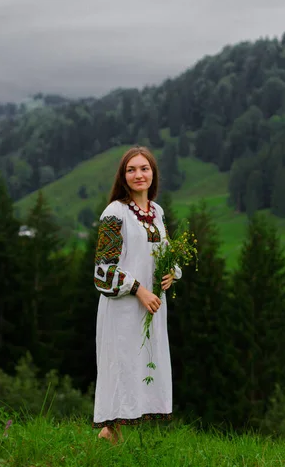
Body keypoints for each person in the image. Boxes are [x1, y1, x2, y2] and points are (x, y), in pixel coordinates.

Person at [92, 145, 181, 443]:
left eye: (144, 168)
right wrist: (139, 289)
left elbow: (164, 253)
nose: (138, 174)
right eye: (131, 169)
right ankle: (109, 430)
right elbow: (102, 273)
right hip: (123, 308)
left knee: (143, 363)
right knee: (122, 363)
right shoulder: (114, 213)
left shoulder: (157, 212)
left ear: (153, 173)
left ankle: (123, 435)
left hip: (152, 306)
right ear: (123, 176)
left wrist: (172, 272)